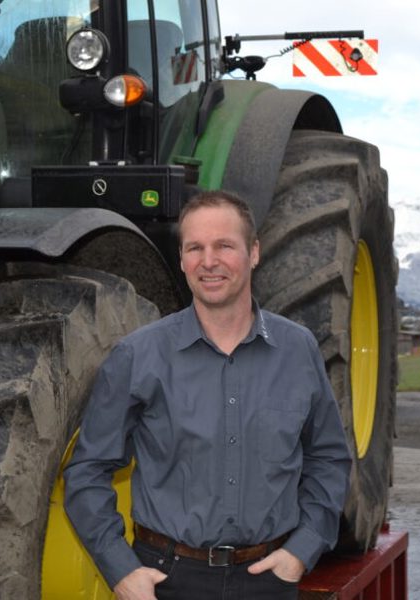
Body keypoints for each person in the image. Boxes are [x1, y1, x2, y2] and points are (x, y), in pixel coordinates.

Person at [63, 190, 352, 600]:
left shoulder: (298, 350)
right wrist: (122, 570)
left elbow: (329, 458)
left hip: (268, 579)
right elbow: (87, 470)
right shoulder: (138, 355)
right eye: (194, 247)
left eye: (224, 246)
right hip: (165, 581)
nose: (209, 261)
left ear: (253, 252)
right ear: (181, 259)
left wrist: (301, 552)